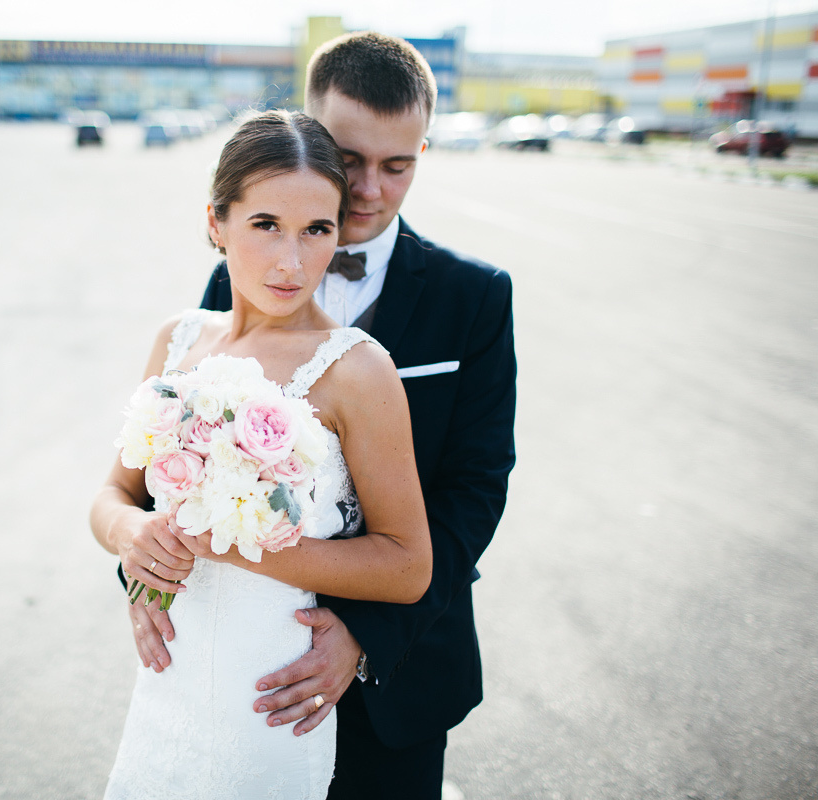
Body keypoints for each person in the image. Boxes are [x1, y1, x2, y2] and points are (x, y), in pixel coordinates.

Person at [130, 32, 517, 799]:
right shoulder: (236, 273)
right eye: (350, 160)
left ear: (421, 153)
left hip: (397, 673)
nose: (370, 188)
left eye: (398, 165)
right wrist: (145, 576)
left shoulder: (471, 296)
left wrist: (366, 635)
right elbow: (182, 454)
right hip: (233, 667)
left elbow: (474, 487)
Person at [90, 109, 433, 799]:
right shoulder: (179, 341)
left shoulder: (358, 369)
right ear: (217, 222)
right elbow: (111, 498)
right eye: (266, 224)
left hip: (274, 688)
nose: (292, 260)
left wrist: (233, 544)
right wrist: (136, 537)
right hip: (170, 679)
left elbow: (407, 565)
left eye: (317, 231)